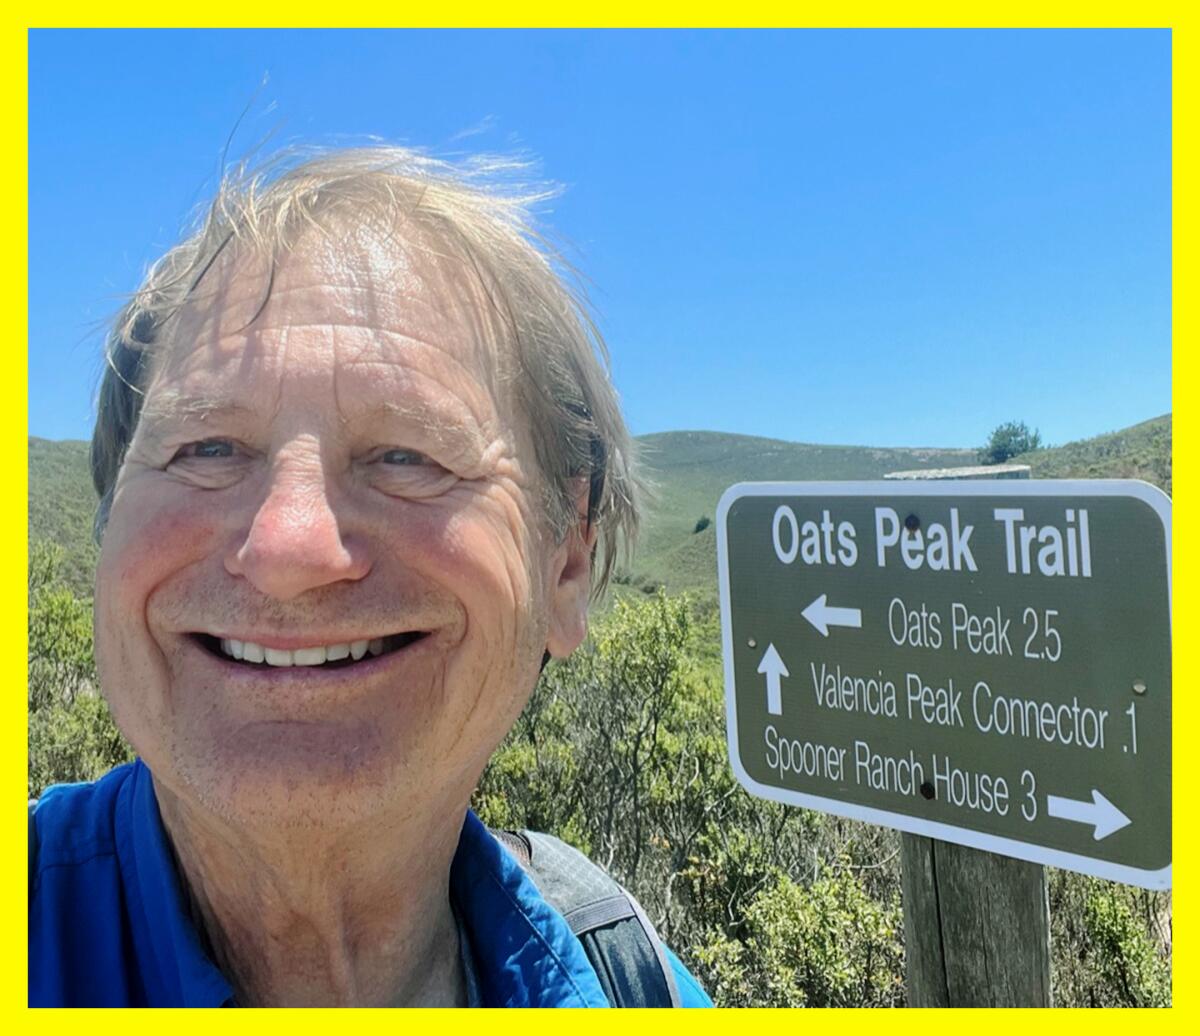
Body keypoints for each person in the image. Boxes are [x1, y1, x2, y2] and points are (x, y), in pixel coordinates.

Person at [29, 145, 713, 1008]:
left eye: (407, 456)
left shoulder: (629, 982)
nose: (288, 549)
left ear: (565, 564)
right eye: (205, 448)